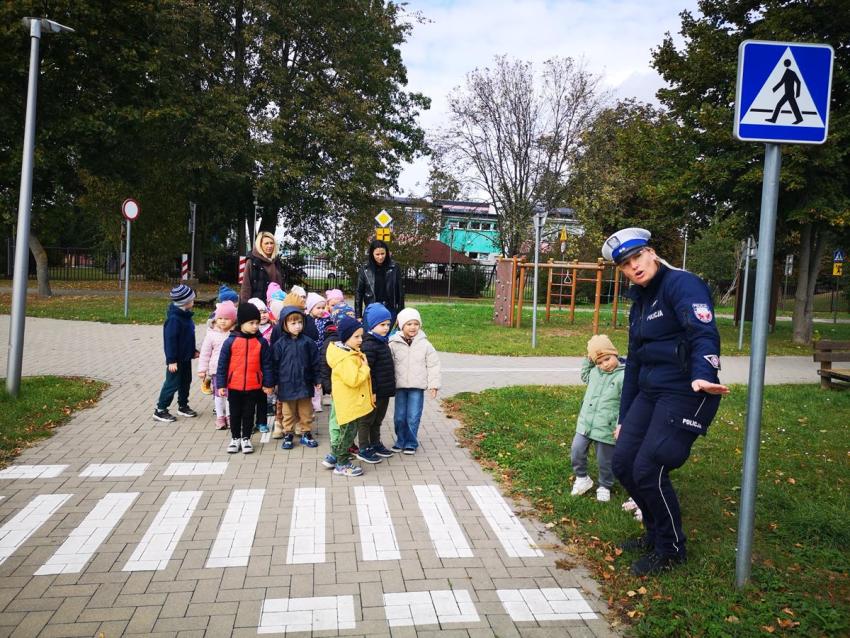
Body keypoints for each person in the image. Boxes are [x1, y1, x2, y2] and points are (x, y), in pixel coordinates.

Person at [602, 227, 729, 576]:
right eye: (625, 264)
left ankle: (671, 549)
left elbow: (703, 332)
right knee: (623, 463)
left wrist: (704, 373)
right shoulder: (639, 303)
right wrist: (623, 418)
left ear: (652, 253)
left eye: (637, 257)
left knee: (649, 468)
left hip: (688, 390)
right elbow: (634, 364)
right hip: (650, 392)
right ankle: (654, 533)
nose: (634, 267)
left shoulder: (682, 284)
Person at [570, 334, 624, 503]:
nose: (604, 365)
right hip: (586, 423)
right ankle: (582, 478)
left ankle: (605, 485)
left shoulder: (624, 376)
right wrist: (589, 358)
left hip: (607, 426)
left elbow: (626, 403)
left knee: (605, 460)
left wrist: (620, 423)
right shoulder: (594, 372)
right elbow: (584, 375)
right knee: (577, 451)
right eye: (599, 362)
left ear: (615, 353)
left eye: (607, 359)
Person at [216, 303, 274, 454]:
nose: (255, 326)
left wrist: (268, 384)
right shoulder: (230, 341)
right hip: (234, 386)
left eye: (257, 323)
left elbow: (267, 365)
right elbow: (222, 365)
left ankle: (246, 438)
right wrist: (221, 385)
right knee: (235, 414)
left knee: (249, 414)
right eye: (251, 323)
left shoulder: (261, 342)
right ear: (241, 323)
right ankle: (235, 438)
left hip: (253, 386)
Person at [326, 315, 375, 477]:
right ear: (346, 337)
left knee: (344, 432)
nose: (360, 340)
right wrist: (365, 368)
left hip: (348, 402)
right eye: (356, 337)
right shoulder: (346, 359)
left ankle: (334, 456)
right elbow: (353, 380)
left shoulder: (347, 352)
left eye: (361, 336)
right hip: (348, 404)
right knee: (347, 434)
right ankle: (342, 463)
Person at [389, 308, 441, 455]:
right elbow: (388, 364)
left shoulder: (425, 344)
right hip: (399, 386)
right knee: (399, 417)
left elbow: (433, 364)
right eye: (409, 324)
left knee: (413, 416)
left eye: (416, 324)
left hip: (416, 387)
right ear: (401, 326)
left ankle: (411, 442)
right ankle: (400, 441)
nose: (413, 327)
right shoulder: (393, 343)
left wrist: (434, 385)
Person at [272, 306, 321, 450]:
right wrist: (273, 382)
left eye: (300, 322)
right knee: (288, 413)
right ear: (284, 325)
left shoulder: (308, 342)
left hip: (305, 384)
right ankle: (288, 434)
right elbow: (274, 365)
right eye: (293, 323)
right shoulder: (279, 344)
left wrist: (317, 379)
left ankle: (306, 433)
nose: (297, 326)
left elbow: (315, 362)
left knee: (306, 412)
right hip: (286, 385)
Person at [357, 303, 397, 464]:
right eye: (382, 325)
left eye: (388, 324)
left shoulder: (382, 341)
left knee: (378, 419)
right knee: (367, 420)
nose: (386, 328)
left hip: (384, 391)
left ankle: (375, 443)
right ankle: (363, 448)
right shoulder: (369, 344)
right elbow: (369, 371)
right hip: (373, 392)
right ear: (372, 325)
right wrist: (372, 391)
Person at [154, 284, 199, 422]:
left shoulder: (185, 316)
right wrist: (171, 360)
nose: (194, 301)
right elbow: (170, 341)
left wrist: (193, 351)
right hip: (176, 360)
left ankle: (183, 406)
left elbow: (187, 337)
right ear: (185, 302)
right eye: (192, 299)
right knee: (172, 384)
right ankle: (160, 410)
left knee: (186, 381)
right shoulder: (174, 319)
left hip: (185, 358)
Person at [197, 300, 237, 430]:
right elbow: (205, 353)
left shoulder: (235, 334)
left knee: (231, 395)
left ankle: (230, 416)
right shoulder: (211, 334)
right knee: (219, 395)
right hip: (216, 371)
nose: (223, 321)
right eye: (220, 318)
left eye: (226, 319)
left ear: (233, 320)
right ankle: (220, 417)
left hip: (232, 370)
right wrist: (202, 369)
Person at [355, 239, 405, 323]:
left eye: (382, 253)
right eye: (377, 254)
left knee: (386, 331)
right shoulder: (364, 268)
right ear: (372, 254)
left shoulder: (395, 267)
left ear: (387, 253)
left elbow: (400, 292)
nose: (380, 257)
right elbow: (359, 292)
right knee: (369, 331)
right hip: (372, 310)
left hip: (390, 310)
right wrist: (358, 315)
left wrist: (401, 314)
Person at [241, 231, 285, 303]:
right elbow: (246, 286)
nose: (269, 246)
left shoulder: (276, 261)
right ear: (260, 245)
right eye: (266, 243)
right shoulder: (252, 261)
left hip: (276, 303)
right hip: (258, 304)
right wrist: (245, 305)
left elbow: (281, 284)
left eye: (271, 243)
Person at [304, 293, 330, 413]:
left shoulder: (325, 320)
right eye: (318, 308)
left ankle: (317, 402)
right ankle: (311, 401)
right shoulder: (306, 320)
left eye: (323, 308)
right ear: (310, 308)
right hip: (310, 353)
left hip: (321, 352)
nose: (321, 310)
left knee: (318, 378)